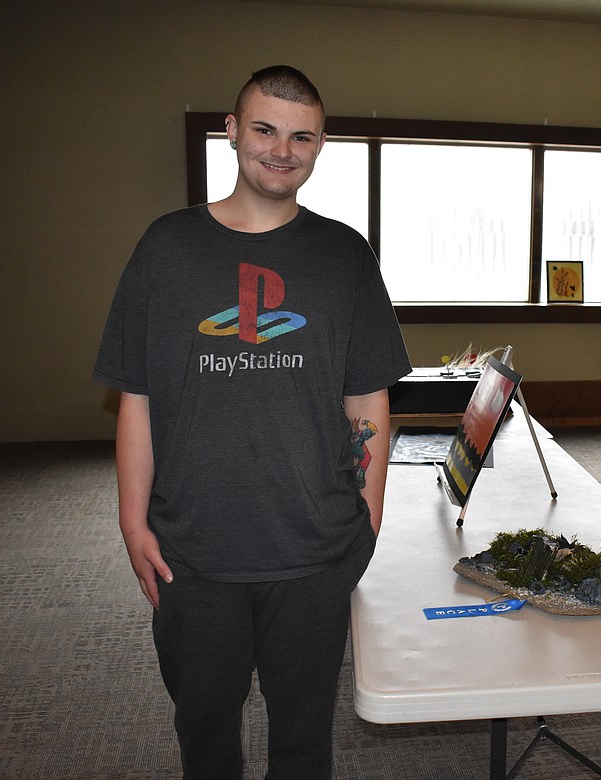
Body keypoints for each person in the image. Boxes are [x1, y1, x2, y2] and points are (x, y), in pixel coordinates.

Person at [94, 65, 411, 779]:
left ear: (321, 144)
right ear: (232, 132)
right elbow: (135, 398)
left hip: (314, 549)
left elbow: (367, 400)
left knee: (303, 742)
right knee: (204, 734)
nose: (282, 149)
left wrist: (367, 523)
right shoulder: (166, 248)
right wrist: (132, 522)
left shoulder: (344, 255)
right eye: (265, 129)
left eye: (302, 136)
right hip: (194, 551)